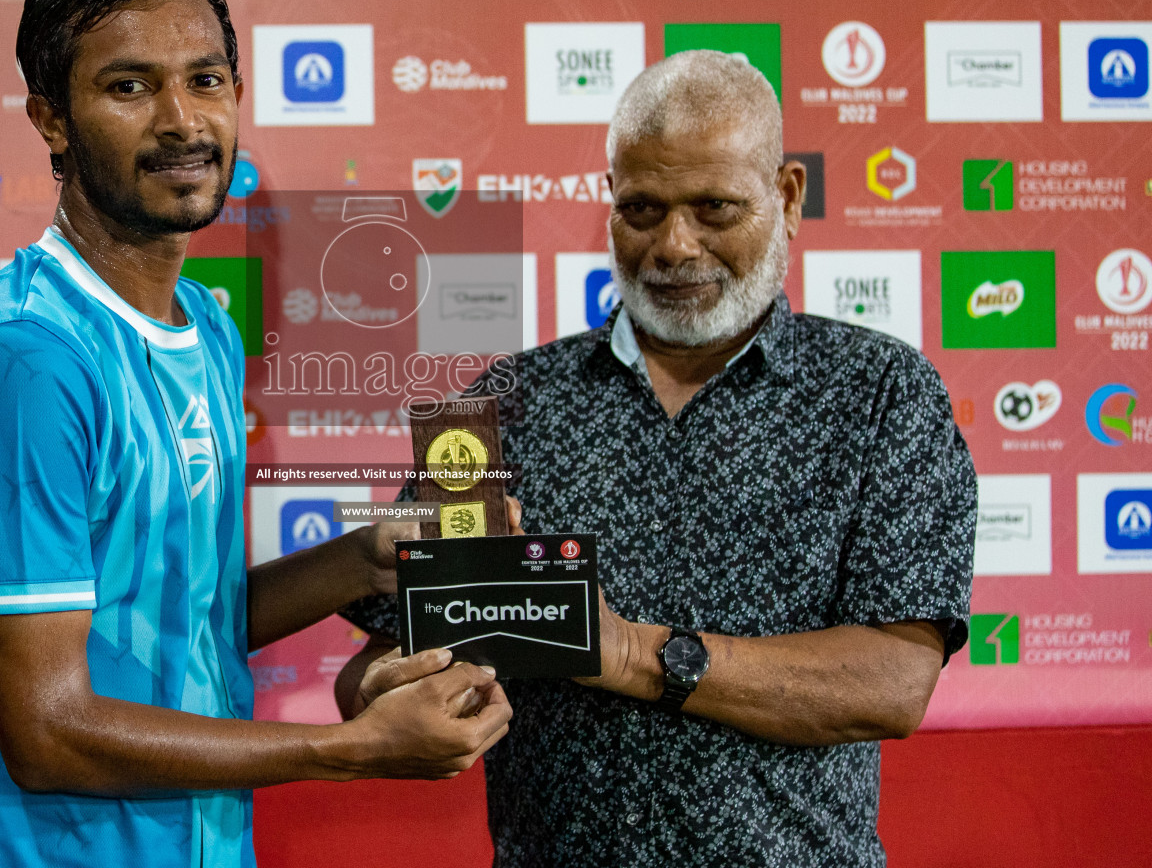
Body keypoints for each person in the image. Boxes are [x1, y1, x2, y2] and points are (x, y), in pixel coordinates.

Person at [0, 0, 512, 868]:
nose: (183, 121)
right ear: (50, 119)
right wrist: (351, 750)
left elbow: (183, 616)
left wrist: (362, 561)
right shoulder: (25, 365)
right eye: (130, 87)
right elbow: (47, 732)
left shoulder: (205, 326)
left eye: (208, 80)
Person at [337, 50, 977, 867]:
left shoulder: (881, 392)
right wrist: (403, 695)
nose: (674, 246)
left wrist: (635, 654)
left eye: (714, 207)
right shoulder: (508, 402)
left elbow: (891, 684)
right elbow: (373, 668)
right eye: (642, 209)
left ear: (786, 196)